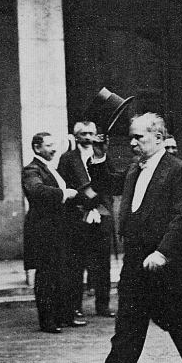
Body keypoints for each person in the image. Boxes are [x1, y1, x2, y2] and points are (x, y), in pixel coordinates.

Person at [78, 112, 182, 363]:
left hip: (167, 262)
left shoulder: (178, 171)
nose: (133, 142)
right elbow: (107, 184)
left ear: (160, 137)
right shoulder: (134, 170)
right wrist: (99, 156)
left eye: (139, 137)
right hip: (136, 261)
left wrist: (163, 252)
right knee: (127, 329)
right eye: (131, 137)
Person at [57, 121, 115, 318]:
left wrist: (102, 205)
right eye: (84, 133)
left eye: (92, 133)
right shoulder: (67, 159)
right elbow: (64, 186)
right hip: (78, 216)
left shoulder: (103, 156)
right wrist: (84, 201)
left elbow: (110, 182)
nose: (89, 137)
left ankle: (103, 305)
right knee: (76, 263)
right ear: (76, 136)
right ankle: (75, 306)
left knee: (103, 263)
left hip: (101, 214)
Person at [22, 133, 79, 333]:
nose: (53, 149)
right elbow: (37, 191)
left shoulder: (48, 169)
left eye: (53, 145)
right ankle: (47, 321)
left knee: (60, 273)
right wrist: (64, 193)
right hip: (43, 232)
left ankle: (62, 317)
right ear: (37, 148)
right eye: (49, 145)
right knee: (46, 276)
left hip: (57, 230)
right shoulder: (31, 170)